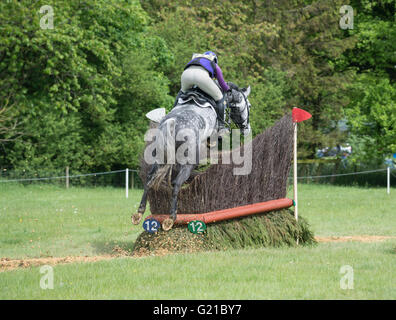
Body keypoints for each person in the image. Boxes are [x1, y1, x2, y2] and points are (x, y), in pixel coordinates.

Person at [177, 51, 230, 132]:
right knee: (219, 97)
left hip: (185, 75)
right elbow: (222, 83)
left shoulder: (196, 59)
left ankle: (171, 110)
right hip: (201, 77)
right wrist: (228, 90)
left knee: (181, 93)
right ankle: (221, 125)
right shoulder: (214, 64)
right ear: (214, 59)